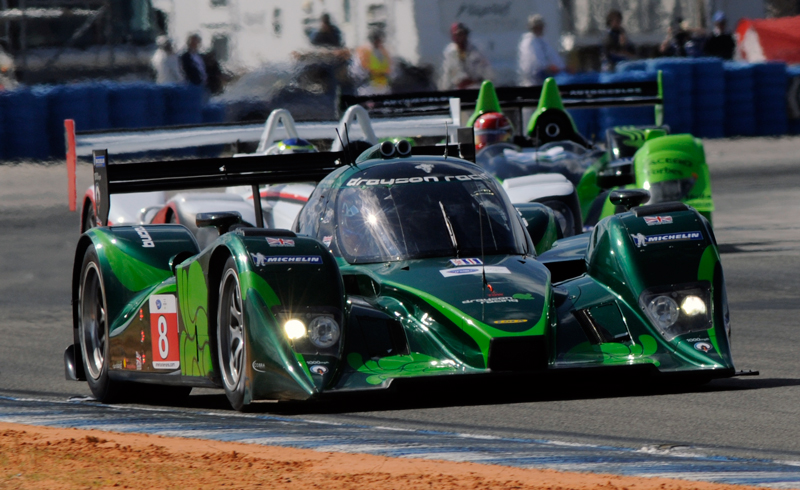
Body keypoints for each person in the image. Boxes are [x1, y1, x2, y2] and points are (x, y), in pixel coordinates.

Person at [438, 22, 493, 91]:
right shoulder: (449, 52)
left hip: (476, 88)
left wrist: (473, 81)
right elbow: (447, 74)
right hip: (457, 89)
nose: (459, 37)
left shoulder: (476, 49)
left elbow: (487, 73)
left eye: (461, 34)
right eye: (456, 35)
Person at [518, 14, 565, 86]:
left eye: (540, 27)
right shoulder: (528, 42)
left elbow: (553, 57)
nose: (539, 29)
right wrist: (547, 67)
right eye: (537, 27)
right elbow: (534, 62)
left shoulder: (543, 41)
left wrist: (561, 67)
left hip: (545, 76)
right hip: (533, 80)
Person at [352, 27, 393, 95]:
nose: (380, 42)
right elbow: (359, 70)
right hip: (368, 87)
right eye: (378, 40)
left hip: (383, 86)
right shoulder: (363, 51)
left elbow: (390, 67)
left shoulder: (384, 51)